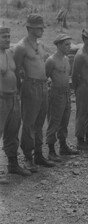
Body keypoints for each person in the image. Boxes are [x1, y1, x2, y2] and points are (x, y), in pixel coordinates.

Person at [14, 13, 55, 172]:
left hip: (43, 86)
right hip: (30, 87)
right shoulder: (21, 47)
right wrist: (18, 92)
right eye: (39, 27)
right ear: (29, 28)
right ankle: (28, 156)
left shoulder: (40, 45)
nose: (42, 30)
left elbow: (43, 63)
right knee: (29, 123)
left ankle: (39, 154)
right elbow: (16, 70)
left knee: (40, 123)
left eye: (43, 27)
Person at [0, 27, 31, 184]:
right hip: (1, 99)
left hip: (13, 98)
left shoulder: (10, 53)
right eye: (4, 36)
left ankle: (13, 164)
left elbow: (17, 72)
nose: (7, 38)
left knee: (12, 132)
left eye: (8, 36)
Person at [45, 34, 79, 162]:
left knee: (65, 119)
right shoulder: (51, 60)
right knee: (54, 121)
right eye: (66, 44)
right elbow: (45, 76)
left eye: (70, 44)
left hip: (66, 92)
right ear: (58, 45)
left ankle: (63, 145)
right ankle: (51, 150)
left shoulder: (66, 59)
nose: (69, 47)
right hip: (55, 93)